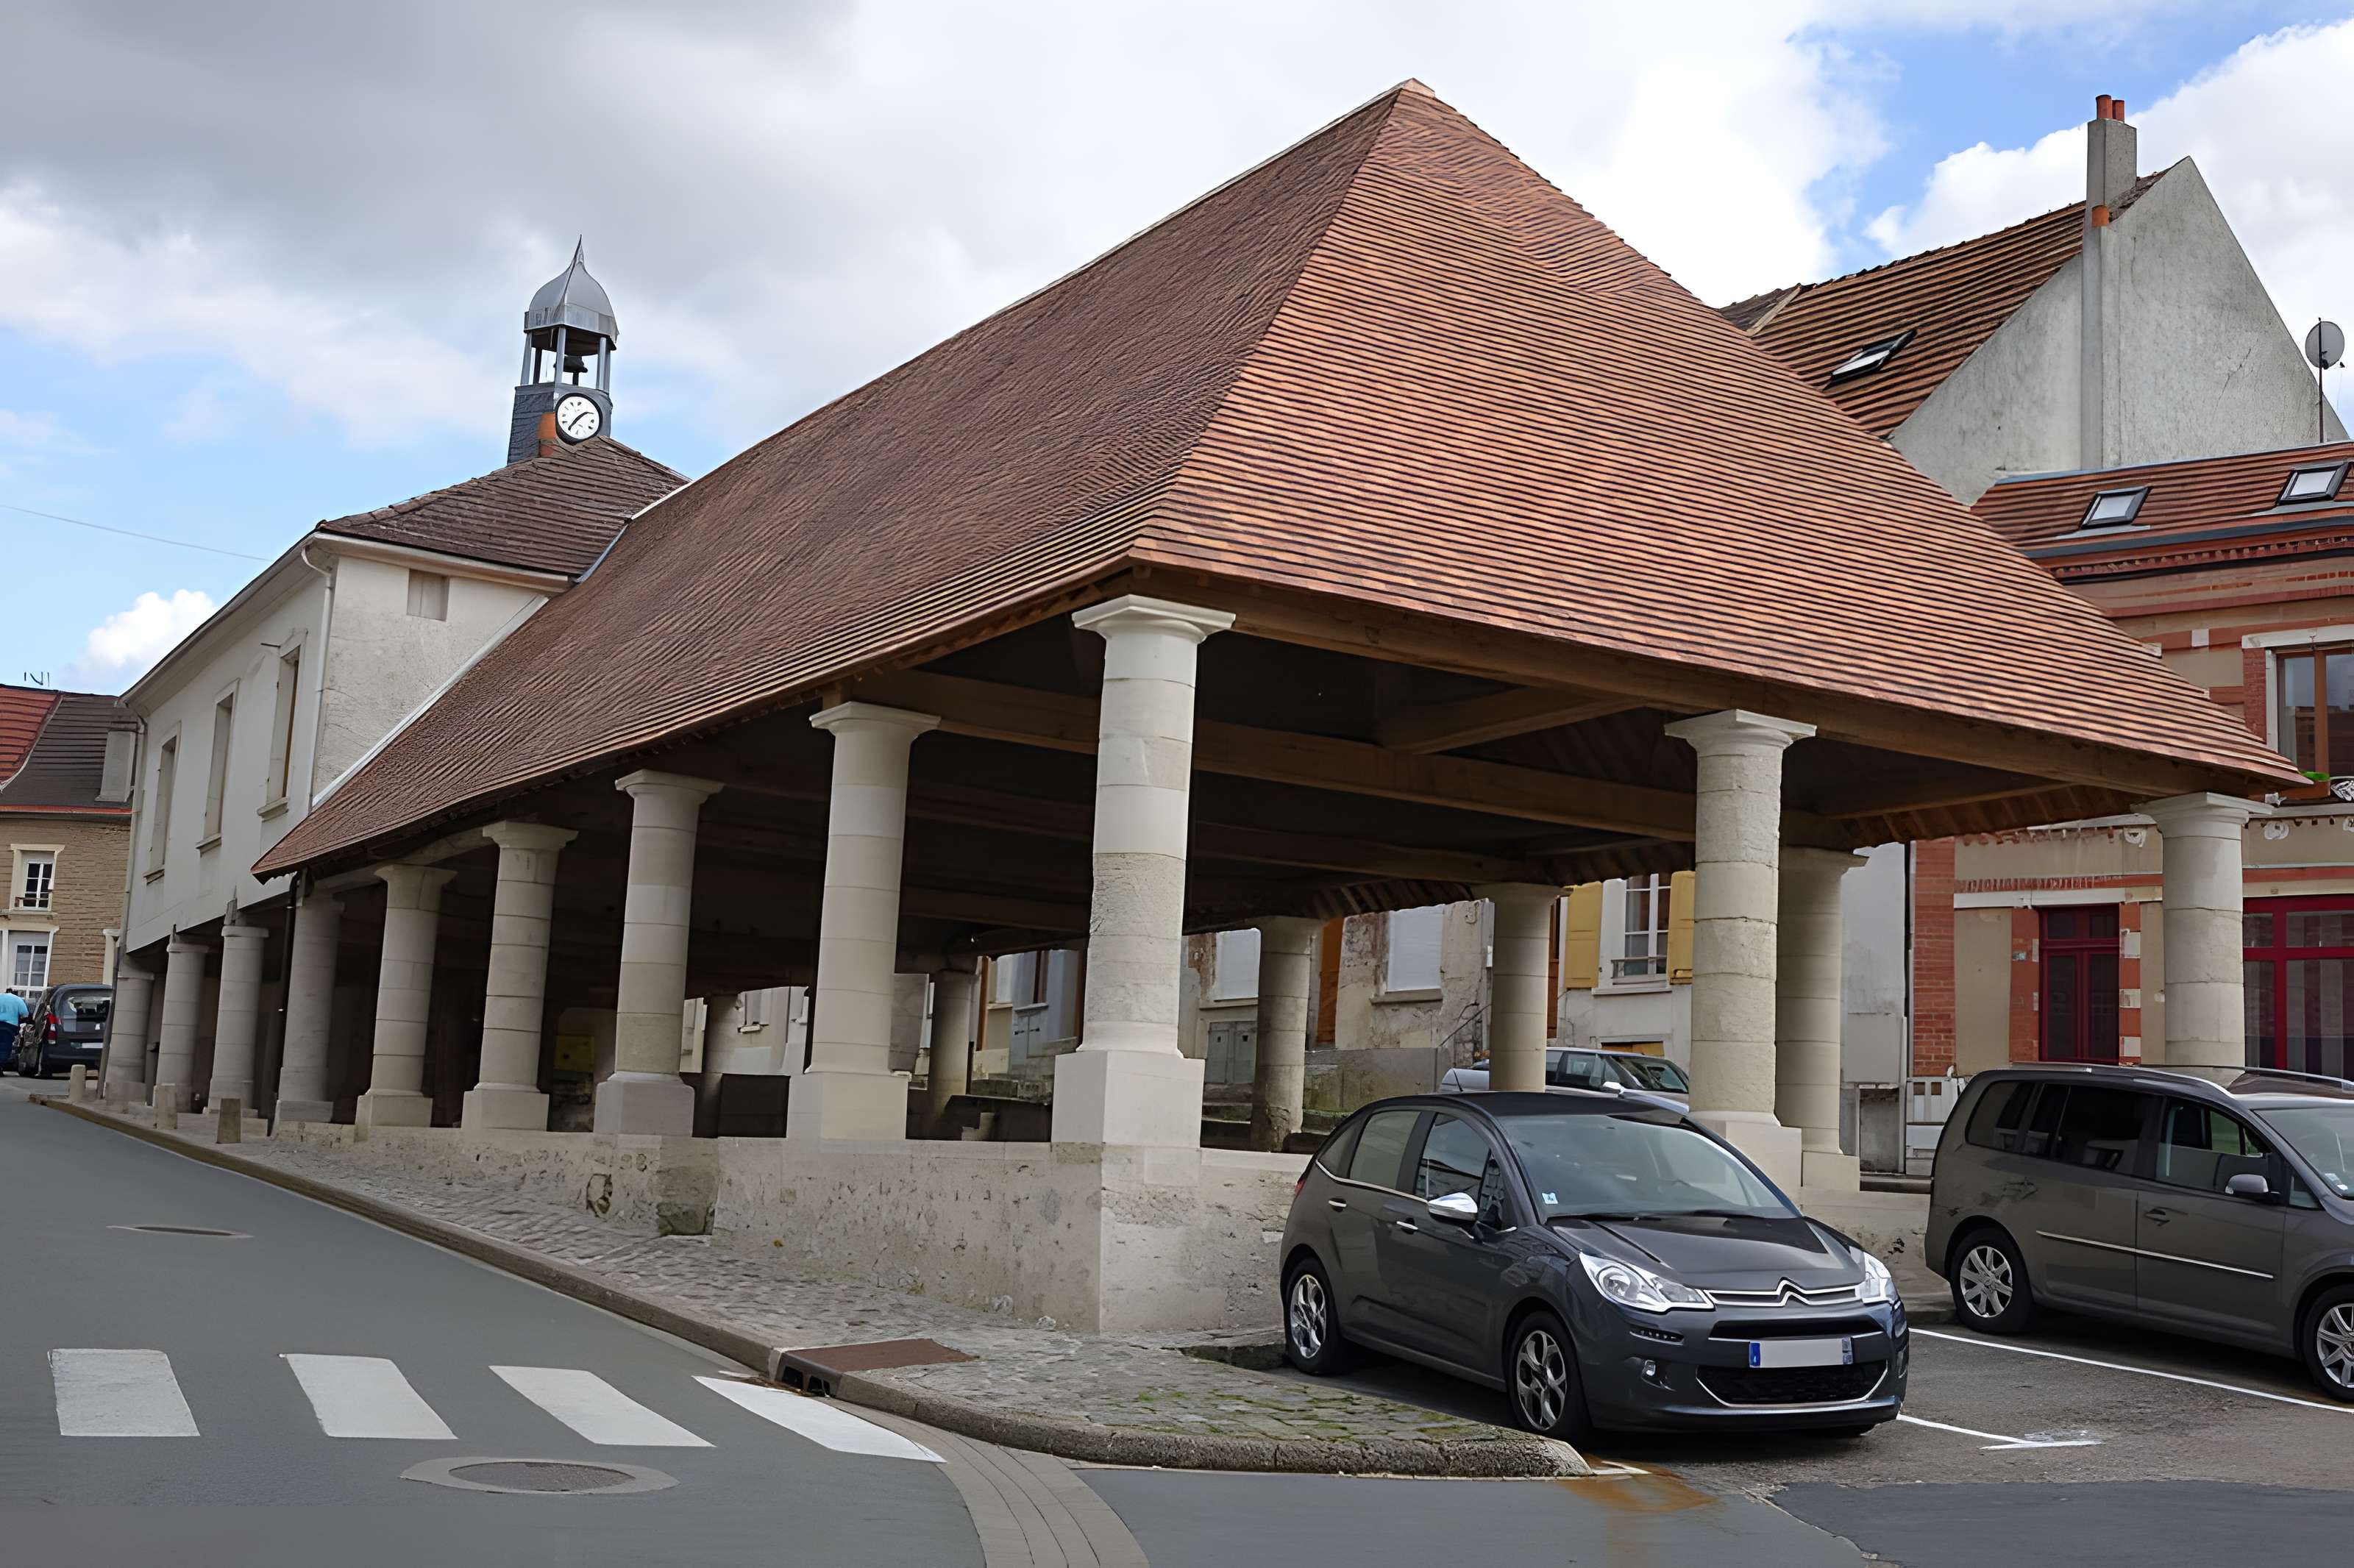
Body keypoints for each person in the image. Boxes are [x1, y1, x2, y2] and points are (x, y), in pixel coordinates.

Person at [0, 987, 28, 1066]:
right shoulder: (18, 1000)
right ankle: (1, 1064)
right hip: (10, 1026)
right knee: (5, 1045)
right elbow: (25, 1014)